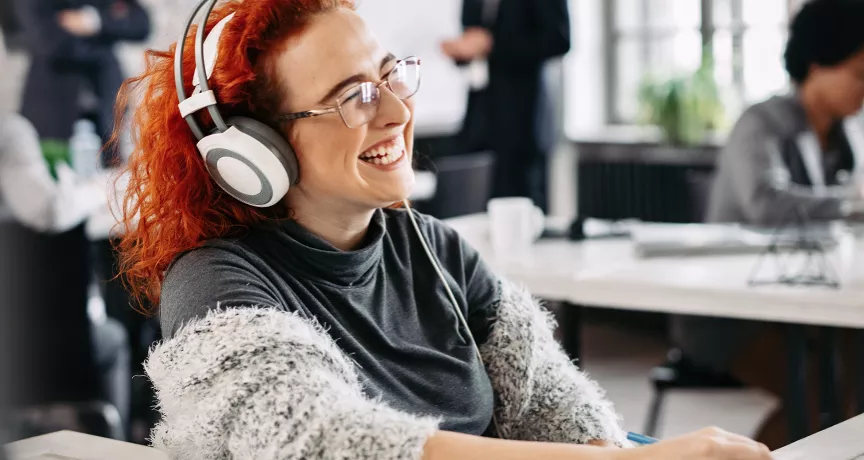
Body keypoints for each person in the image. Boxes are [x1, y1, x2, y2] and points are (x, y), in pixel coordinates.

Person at [114, 1, 771, 458]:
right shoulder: (214, 283)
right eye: (354, 96)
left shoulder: (437, 246)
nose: (400, 111)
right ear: (254, 150)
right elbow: (320, 444)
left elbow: (562, 415)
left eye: (389, 75)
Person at [674, 0, 864, 449]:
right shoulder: (761, 124)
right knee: (822, 390)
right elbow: (767, 205)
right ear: (818, 65)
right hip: (734, 310)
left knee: (855, 375)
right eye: (858, 73)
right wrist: (855, 202)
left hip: (809, 297)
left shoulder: (844, 136)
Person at [0, 29, 131, 436]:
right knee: (115, 335)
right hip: (32, 345)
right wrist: (97, 188)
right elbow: (50, 210)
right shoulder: (8, 133)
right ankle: (118, 438)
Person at [441, 0, 570, 212]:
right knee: (474, 199)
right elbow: (473, 37)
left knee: (522, 199)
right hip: (479, 114)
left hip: (523, 116)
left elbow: (559, 39)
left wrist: (493, 44)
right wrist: (462, 50)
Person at [13, 0, 150, 165]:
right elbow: (48, 41)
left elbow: (141, 24)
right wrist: (105, 43)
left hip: (106, 116)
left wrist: (93, 21)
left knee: (109, 180)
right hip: (53, 115)